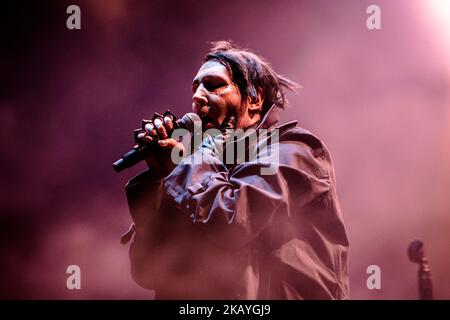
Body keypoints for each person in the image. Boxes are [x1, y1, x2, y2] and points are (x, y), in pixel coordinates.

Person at [120, 41, 350, 299]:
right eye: (195, 88)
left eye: (213, 85)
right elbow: (149, 270)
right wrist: (162, 177)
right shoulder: (201, 175)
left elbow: (234, 220)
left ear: (254, 99)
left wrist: (186, 165)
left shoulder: (292, 151)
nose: (197, 97)